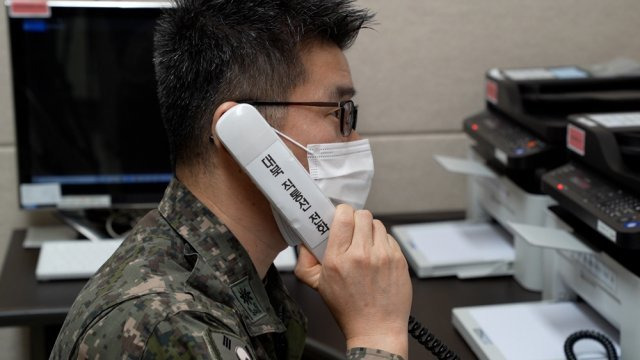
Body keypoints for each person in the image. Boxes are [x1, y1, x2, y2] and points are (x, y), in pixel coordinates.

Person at [50, 0, 412, 359]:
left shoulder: (227, 270)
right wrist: (378, 332)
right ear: (239, 132)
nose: (357, 140)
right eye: (340, 113)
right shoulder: (171, 327)